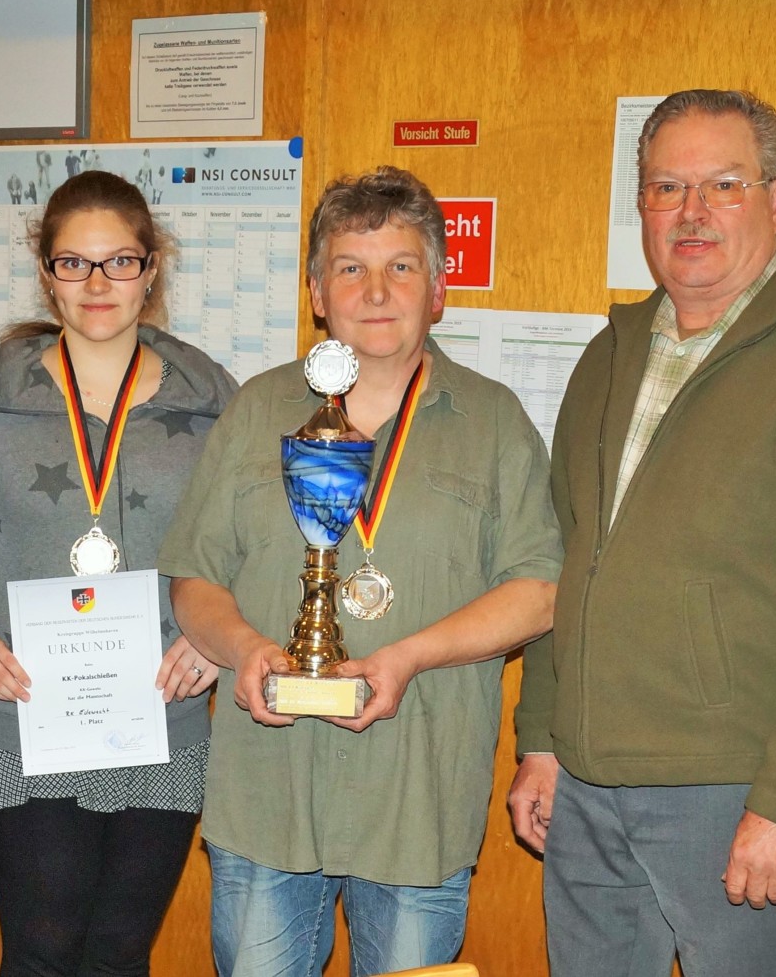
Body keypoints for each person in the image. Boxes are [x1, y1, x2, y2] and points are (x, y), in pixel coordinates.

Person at [507, 89, 776, 977]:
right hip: (583, 780)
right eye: (666, 187)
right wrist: (539, 735)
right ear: (643, 208)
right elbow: (561, 561)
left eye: (722, 184)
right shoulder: (608, 353)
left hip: (729, 794)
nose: (690, 212)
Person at [160, 166, 562, 977]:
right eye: (351, 267)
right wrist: (242, 649)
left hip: (418, 803)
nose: (376, 290)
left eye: (401, 266)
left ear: (438, 288)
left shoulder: (495, 424)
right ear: (317, 290)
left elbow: (539, 590)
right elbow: (194, 581)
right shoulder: (255, 412)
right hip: (268, 798)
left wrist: (409, 655)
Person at [0, 171, 237, 974]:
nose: (97, 284)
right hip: (28, 713)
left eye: (119, 262)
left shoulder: (212, 397)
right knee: (43, 946)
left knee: (121, 949)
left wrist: (215, 642)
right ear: (45, 269)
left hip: (164, 715)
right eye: (73, 263)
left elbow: (251, 546)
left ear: (151, 268)